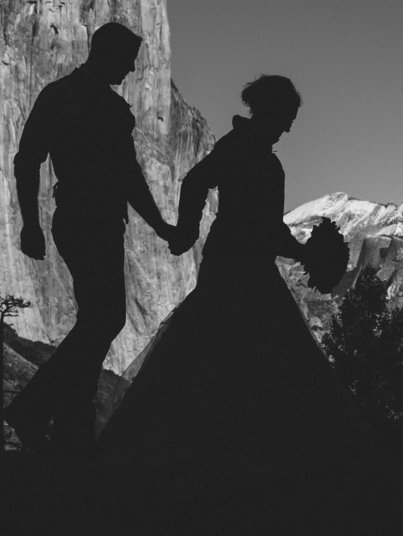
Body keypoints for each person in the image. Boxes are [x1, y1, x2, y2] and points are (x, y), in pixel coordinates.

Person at [100, 75, 378, 476]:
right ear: (272, 111)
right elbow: (211, 192)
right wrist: (190, 229)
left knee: (218, 348)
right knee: (251, 349)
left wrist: (192, 230)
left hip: (236, 259)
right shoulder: (249, 151)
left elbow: (252, 217)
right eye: (288, 116)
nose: (290, 126)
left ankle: (216, 450)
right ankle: (250, 455)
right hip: (239, 265)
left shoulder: (246, 149)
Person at [5, 22, 178, 451]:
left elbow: (128, 176)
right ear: (107, 53)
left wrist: (159, 226)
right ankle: (43, 409)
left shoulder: (96, 104)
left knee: (98, 320)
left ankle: (69, 424)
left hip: (98, 221)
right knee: (105, 319)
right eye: (128, 59)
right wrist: (29, 222)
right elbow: (28, 159)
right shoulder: (65, 97)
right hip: (85, 220)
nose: (134, 68)